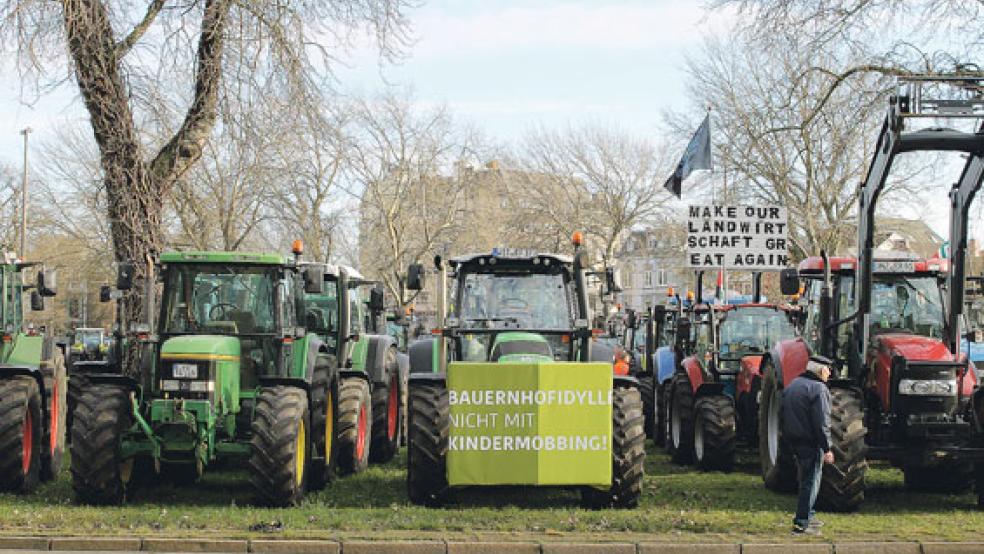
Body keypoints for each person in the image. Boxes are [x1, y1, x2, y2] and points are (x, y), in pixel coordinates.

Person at [782, 355, 835, 535]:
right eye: (828, 369)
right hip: (811, 443)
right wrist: (827, 448)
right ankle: (801, 523)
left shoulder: (793, 385)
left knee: (805, 480)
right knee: (811, 482)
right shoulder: (819, 389)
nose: (830, 373)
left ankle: (809, 516)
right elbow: (822, 422)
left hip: (794, 441)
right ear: (821, 370)